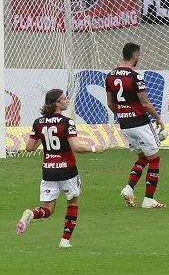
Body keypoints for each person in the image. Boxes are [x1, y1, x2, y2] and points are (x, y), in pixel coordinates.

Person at [16, 89, 104, 248]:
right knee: (73, 203)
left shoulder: (39, 122)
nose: (67, 100)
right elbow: (76, 147)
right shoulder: (67, 122)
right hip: (67, 170)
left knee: (47, 209)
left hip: (48, 170)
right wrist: (93, 149)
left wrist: (42, 139)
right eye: (64, 98)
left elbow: (29, 147)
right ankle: (65, 241)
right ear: (57, 103)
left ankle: (31, 214)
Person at [105, 43, 166, 209]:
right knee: (154, 159)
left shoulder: (110, 75)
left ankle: (129, 188)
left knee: (143, 157)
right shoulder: (135, 77)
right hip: (140, 123)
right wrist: (158, 118)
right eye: (139, 55)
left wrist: (124, 115)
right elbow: (145, 103)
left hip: (125, 123)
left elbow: (110, 104)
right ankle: (148, 200)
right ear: (135, 56)